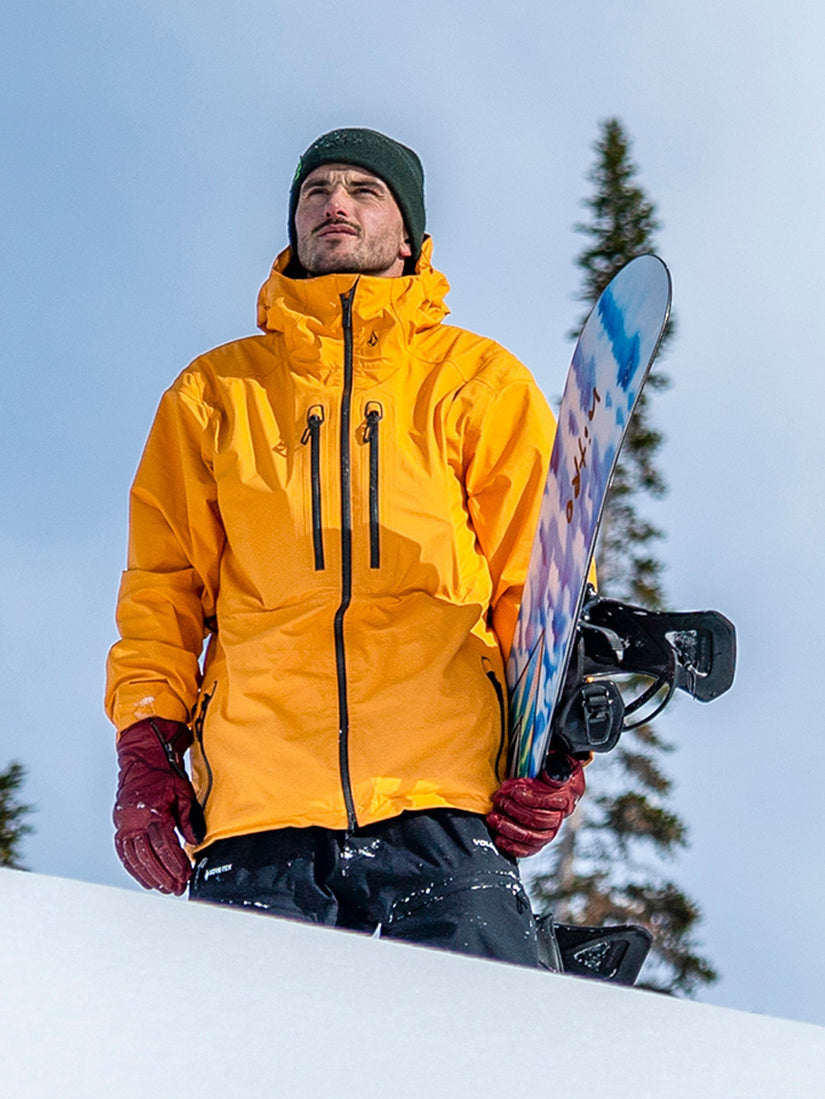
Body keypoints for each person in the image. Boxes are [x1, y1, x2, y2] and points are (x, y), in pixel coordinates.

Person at [106, 128, 586, 967]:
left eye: (365, 190)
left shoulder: (476, 381)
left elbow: (536, 582)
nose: (334, 202)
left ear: (408, 235)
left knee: (469, 1036)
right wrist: (145, 748)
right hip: (258, 812)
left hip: (441, 799)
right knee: (248, 1040)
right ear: (293, 224)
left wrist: (557, 742)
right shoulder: (215, 393)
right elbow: (163, 588)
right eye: (315, 190)